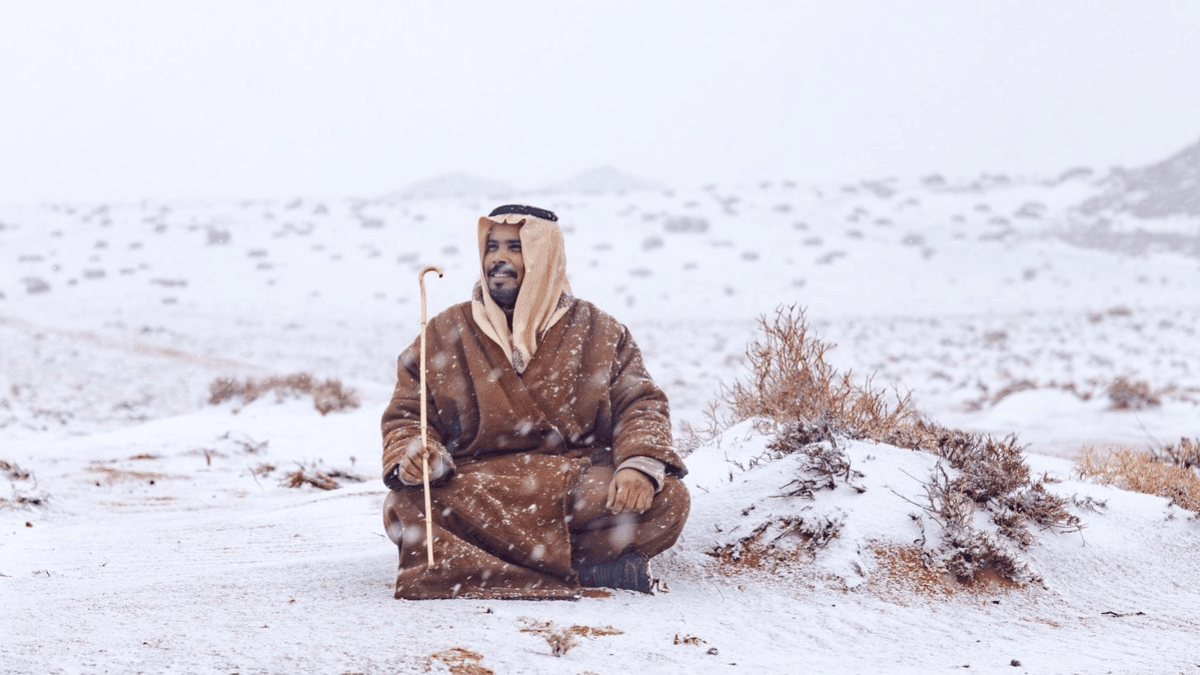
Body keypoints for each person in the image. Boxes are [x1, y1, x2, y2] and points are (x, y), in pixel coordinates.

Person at [381, 204, 690, 600]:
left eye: (515, 246)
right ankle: (588, 568)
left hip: (577, 482)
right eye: (492, 246)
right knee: (403, 506)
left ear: (544, 255)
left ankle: (481, 564)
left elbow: (640, 404)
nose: (499, 258)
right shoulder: (445, 331)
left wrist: (637, 467)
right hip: (478, 484)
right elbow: (409, 414)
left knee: (668, 502)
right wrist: (421, 455)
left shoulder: (599, 330)